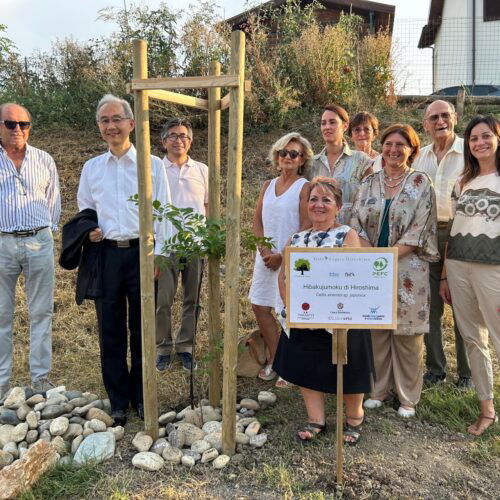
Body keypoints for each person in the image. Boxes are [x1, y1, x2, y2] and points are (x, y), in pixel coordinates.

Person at [77, 94, 171, 426]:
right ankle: (118, 400)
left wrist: (160, 253)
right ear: (99, 127)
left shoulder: (153, 165)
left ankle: (143, 396)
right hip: (106, 257)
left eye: (117, 118)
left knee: (143, 329)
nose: (111, 126)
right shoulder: (92, 169)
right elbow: (85, 210)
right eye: (104, 120)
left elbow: (164, 213)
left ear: (131, 123)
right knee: (110, 329)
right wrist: (88, 230)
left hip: (142, 254)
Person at [273, 177, 373, 444]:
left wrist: (332, 308)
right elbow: (284, 277)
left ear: (338, 206)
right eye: (313, 199)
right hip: (304, 317)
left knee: (349, 367)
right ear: (306, 205)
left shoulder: (347, 235)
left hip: (340, 317)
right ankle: (316, 419)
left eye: (326, 200)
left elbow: (356, 276)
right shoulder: (296, 238)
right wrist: (291, 308)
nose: (318, 205)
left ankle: (354, 419)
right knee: (307, 365)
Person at [350, 124, 439, 418]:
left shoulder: (420, 182)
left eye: (401, 144)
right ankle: (377, 389)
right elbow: (356, 221)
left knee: (406, 335)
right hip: (371, 265)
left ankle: (407, 396)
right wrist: (369, 254)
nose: (393, 149)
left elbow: (421, 228)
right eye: (388, 143)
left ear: (412, 149)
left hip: (407, 268)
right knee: (376, 330)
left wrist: (387, 257)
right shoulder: (369, 182)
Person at [440, 115, 500, 436]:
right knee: (473, 339)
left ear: (497, 138)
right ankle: (486, 409)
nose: (479, 142)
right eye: (474, 138)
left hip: (494, 269)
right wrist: (446, 276)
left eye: (486, 136)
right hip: (460, 267)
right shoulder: (462, 182)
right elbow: (452, 230)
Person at [0, 103, 61, 398]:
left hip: (39, 241)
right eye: (10, 124)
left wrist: (47, 231)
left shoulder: (44, 159)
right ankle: (1, 385)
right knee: (1, 316)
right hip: (2, 244)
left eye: (23, 124)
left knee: (41, 313)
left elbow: (53, 201)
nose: (18, 129)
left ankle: (40, 381)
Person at [413, 100, 472, 389]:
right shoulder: (420, 158)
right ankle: (436, 369)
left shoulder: (469, 152)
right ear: (425, 124)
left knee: (462, 306)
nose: (440, 121)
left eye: (445, 116)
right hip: (427, 235)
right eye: (433, 117)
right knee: (429, 305)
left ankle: (467, 373)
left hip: (460, 234)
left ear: (455, 118)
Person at [249, 132, 311, 387]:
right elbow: (257, 221)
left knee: (288, 312)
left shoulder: (304, 186)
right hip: (264, 257)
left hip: (291, 258)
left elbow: (306, 226)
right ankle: (276, 358)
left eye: (293, 153)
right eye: (282, 153)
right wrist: (264, 252)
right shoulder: (267, 185)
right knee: (260, 306)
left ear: (301, 159)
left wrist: (282, 256)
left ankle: (291, 367)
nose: (287, 157)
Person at [155, 118, 208, 372]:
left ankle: (185, 346)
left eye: (184, 136)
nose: (179, 140)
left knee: (192, 299)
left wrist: (207, 238)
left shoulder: (202, 170)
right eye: (173, 136)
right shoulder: (156, 170)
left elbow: (207, 206)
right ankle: (163, 347)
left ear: (191, 140)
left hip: (195, 245)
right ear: (164, 142)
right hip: (165, 246)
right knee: (162, 300)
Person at [309, 104, 373, 225]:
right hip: (318, 235)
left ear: (345, 125)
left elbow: (371, 201)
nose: (327, 127)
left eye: (332, 122)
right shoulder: (312, 163)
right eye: (323, 123)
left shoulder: (362, 161)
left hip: (351, 234)